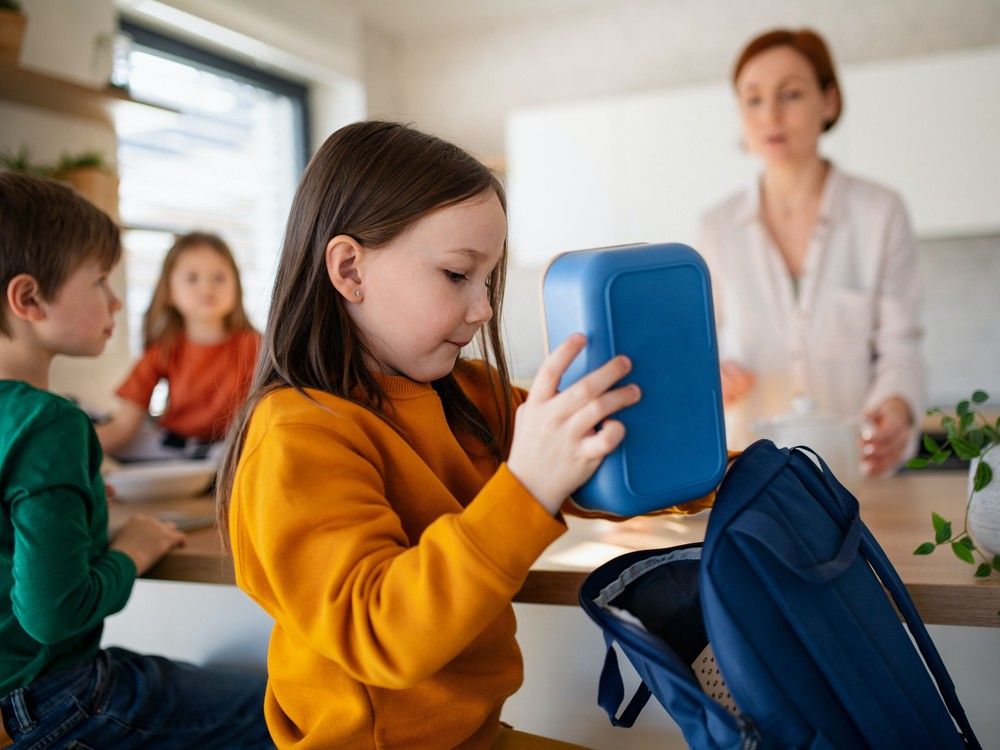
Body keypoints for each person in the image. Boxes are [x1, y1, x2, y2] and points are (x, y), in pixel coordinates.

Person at [216, 120, 713, 749]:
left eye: (489, 282)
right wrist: (526, 487)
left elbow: (602, 451)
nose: (482, 309)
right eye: (457, 275)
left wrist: (740, 470)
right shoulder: (296, 436)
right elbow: (379, 631)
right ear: (349, 269)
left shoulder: (469, 394)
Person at [0, 172, 272, 748]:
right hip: (50, 699)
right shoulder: (49, 423)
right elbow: (53, 613)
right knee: (289, 712)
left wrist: (80, 500)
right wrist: (133, 549)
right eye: (99, 280)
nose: (117, 299)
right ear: (28, 299)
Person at [698, 27, 925, 476]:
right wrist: (713, 377)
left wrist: (896, 408)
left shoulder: (881, 212)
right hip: (749, 479)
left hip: (855, 477)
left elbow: (901, 346)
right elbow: (702, 353)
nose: (771, 115)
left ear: (830, 101)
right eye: (753, 99)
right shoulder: (716, 227)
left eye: (792, 94)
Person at [97, 232, 260, 462]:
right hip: (173, 442)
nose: (207, 286)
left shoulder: (254, 345)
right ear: (170, 293)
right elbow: (125, 426)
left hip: (233, 445)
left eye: (219, 277)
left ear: (237, 287)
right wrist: (63, 446)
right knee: (85, 417)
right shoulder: (164, 349)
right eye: (192, 278)